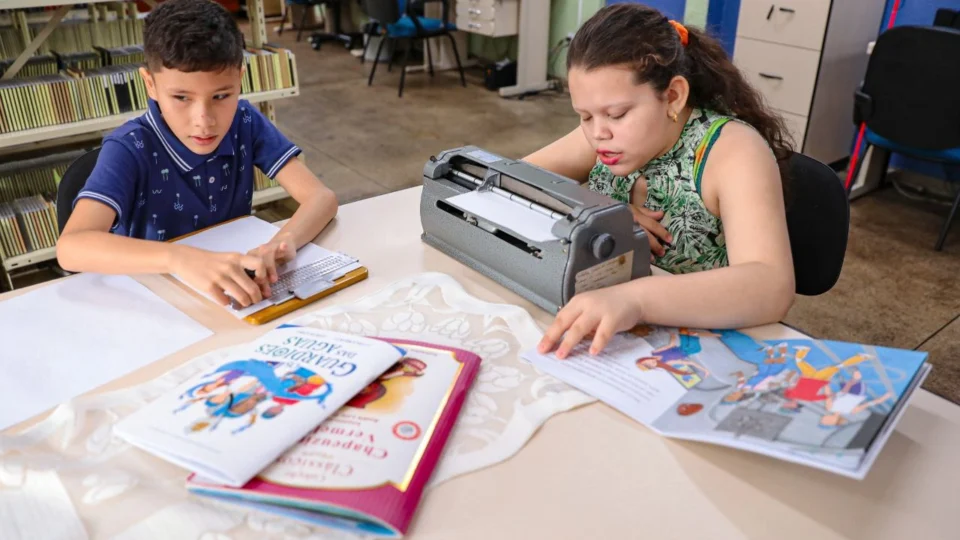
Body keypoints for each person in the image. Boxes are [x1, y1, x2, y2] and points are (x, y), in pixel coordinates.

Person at [530, 4, 796, 359]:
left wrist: (634, 299)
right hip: (609, 324)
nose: (597, 133)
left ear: (673, 96)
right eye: (584, 116)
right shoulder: (604, 134)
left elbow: (771, 286)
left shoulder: (731, 151)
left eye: (618, 114)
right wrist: (602, 211)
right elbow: (513, 181)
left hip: (700, 347)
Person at [56, 0, 338, 309]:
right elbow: (71, 247)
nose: (204, 119)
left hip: (232, 297)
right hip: (158, 302)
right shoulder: (128, 147)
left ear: (240, 78)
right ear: (150, 83)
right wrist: (178, 258)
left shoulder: (244, 121)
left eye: (221, 96)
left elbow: (321, 198)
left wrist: (280, 246)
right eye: (181, 97)